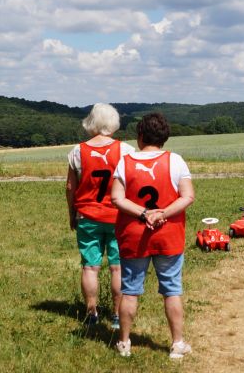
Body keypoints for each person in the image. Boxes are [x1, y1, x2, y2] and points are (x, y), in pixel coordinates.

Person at [111, 112, 195, 359]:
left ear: (140, 135)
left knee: (130, 290)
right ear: (164, 137)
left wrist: (143, 213)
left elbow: (116, 198)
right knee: (172, 289)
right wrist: (162, 213)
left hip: (134, 237)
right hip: (168, 236)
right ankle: (177, 344)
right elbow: (188, 196)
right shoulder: (175, 161)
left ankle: (124, 343)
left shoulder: (125, 162)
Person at [65, 103, 135, 329]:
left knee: (90, 267)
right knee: (117, 267)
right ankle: (117, 315)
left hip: (87, 215)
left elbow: (70, 187)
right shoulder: (126, 150)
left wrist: (72, 214)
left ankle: (91, 313)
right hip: (119, 217)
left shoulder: (77, 151)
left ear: (91, 122)